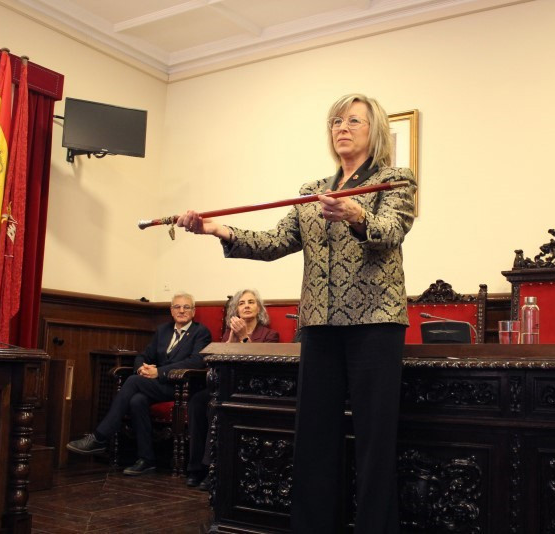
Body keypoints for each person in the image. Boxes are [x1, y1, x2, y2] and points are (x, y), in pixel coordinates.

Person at [177, 93, 416, 533]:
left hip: (375, 324)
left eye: (353, 121)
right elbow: (273, 243)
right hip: (320, 326)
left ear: (374, 130)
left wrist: (356, 213)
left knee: (374, 442)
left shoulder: (395, 179)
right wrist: (217, 228)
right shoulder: (312, 192)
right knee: (315, 439)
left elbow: (390, 232)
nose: (341, 128)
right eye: (335, 121)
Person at [66, 292, 212, 475]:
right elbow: (144, 355)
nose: (181, 310)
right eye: (177, 307)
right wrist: (142, 368)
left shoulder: (201, 332)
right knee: (137, 401)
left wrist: (158, 372)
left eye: (186, 307)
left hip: (181, 386)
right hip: (158, 385)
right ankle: (146, 459)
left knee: (134, 382)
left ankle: (100, 437)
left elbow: (196, 362)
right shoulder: (163, 331)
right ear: (171, 311)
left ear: (193, 312)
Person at [186, 288, 280, 489]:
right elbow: (219, 362)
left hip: (252, 390)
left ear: (259, 308)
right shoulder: (229, 333)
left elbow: (263, 367)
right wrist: (232, 340)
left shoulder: (270, 335)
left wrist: (245, 337)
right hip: (226, 386)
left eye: (251, 302)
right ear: (236, 310)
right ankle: (195, 469)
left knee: (215, 406)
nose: (246, 305)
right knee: (197, 401)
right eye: (241, 303)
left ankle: (211, 470)